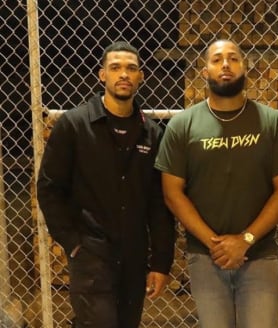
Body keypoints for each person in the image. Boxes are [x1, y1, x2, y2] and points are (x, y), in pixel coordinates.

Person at [155, 39, 278, 328]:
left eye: (234, 58)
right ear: (205, 71)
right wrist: (217, 245)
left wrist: (245, 240)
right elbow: (172, 193)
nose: (226, 64)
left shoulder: (272, 123)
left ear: (245, 68)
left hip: (259, 254)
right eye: (217, 59)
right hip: (206, 257)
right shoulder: (183, 125)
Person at [36, 41, 175, 328]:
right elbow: (50, 189)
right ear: (102, 75)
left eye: (131, 68)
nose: (123, 74)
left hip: (134, 258)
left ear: (141, 76)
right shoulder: (74, 126)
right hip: (91, 255)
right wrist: (73, 244)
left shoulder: (152, 134)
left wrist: (161, 262)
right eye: (115, 68)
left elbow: (159, 202)